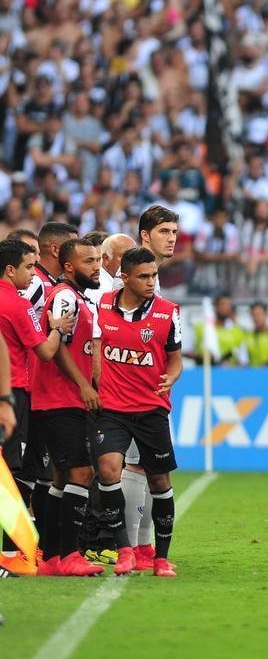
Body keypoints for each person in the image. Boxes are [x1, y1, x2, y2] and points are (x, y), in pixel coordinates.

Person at [92, 247, 183, 577]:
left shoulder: (168, 312)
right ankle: (124, 549)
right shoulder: (101, 306)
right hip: (113, 407)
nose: (150, 281)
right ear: (125, 277)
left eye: (153, 275)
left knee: (159, 480)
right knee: (108, 468)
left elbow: (175, 359)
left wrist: (170, 377)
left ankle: (161, 557)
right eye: (143, 276)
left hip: (150, 409)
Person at [29, 238, 105, 576]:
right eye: (89, 261)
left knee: (61, 477)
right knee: (81, 473)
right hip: (62, 399)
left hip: (62, 398)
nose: (97, 266)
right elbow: (58, 348)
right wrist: (84, 385)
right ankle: (70, 554)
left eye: (99, 259)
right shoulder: (64, 297)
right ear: (70, 266)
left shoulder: (77, 298)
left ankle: (52, 557)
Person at [0, 238, 76, 575]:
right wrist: (58, 329)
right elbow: (45, 351)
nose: (34, 275)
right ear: (10, 269)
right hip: (14, 392)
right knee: (15, 474)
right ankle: (10, 552)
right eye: (29, 267)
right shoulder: (17, 305)